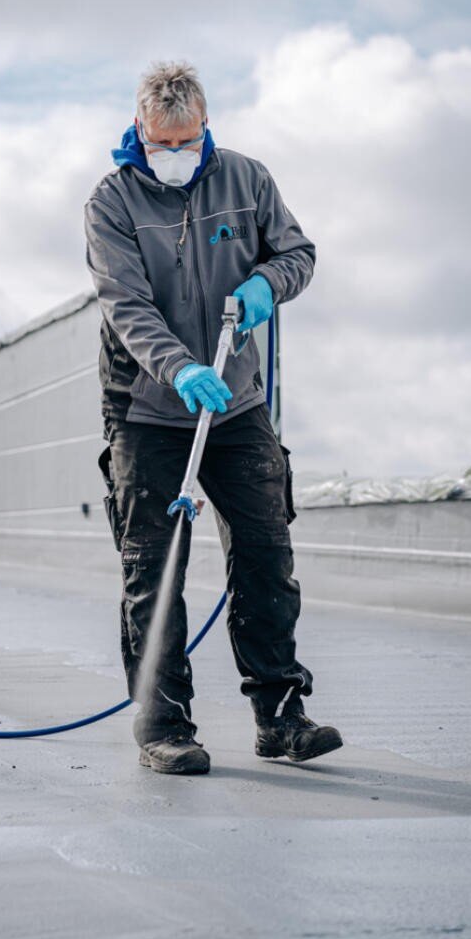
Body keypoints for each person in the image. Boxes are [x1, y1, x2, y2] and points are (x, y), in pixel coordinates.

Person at [84, 61, 343, 775]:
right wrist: (180, 367)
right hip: (146, 408)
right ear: (140, 131)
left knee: (265, 553)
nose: (177, 153)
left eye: (188, 140)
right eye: (163, 142)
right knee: (154, 569)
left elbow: (298, 253)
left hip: (236, 403)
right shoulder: (111, 202)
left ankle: (280, 715)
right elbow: (126, 305)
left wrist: (268, 282)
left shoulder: (246, 180)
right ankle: (164, 726)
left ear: (205, 126)